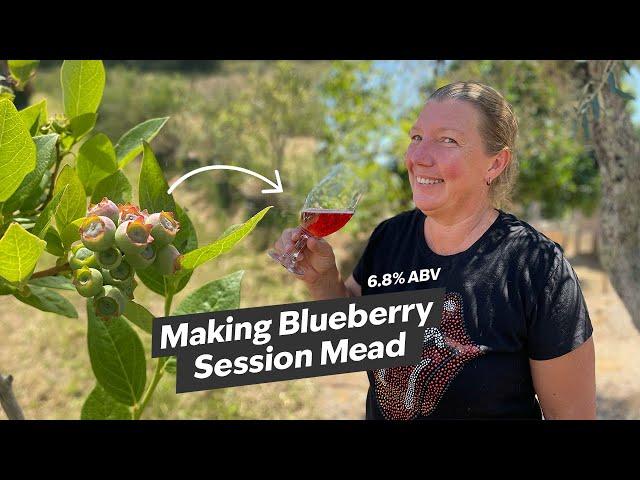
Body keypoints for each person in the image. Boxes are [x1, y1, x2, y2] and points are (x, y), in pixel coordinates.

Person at [272, 82, 595, 420]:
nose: (419, 157)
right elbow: (349, 335)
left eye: (448, 140)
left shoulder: (536, 268)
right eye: (416, 138)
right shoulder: (390, 238)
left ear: (495, 163)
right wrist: (323, 281)